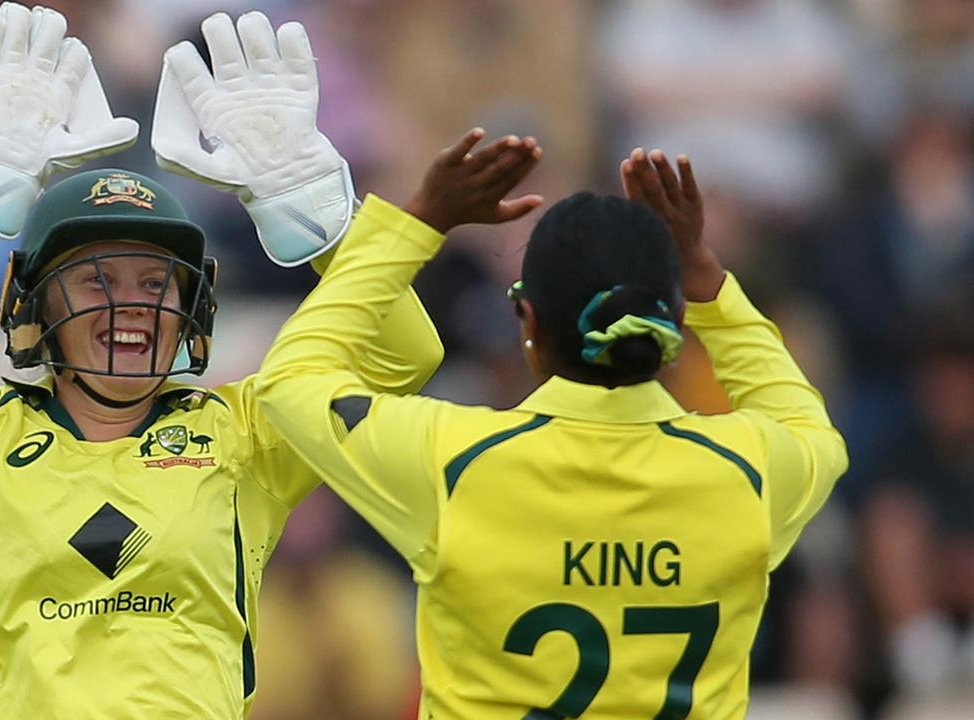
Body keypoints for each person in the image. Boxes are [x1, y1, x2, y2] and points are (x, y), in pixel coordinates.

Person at [0, 5, 443, 718]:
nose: (131, 305)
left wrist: (314, 210)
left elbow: (407, 354)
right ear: (34, 306)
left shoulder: (245, 438)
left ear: (194, 308)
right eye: (97, 280)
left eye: (156, 284)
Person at [256, 134, 850, 719]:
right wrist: (706, 278)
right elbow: (809, 426)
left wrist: (420, 223)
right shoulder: (750, 471)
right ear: (671, 325)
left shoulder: (453, 461)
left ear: (528, 323)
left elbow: (292, 379)